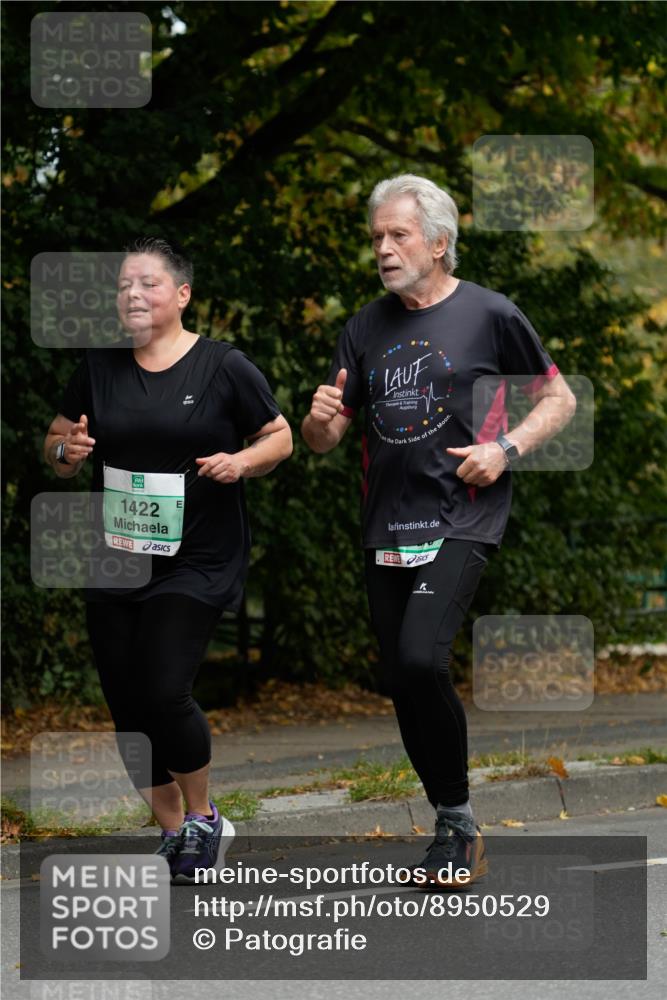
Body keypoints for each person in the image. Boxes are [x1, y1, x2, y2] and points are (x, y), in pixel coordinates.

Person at [302, 174, 576, 888]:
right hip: (386, 523)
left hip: (463, 513)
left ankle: (457, 822)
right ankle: (451, 826)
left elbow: (558, 397)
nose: (383, 249)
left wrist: (505, 448)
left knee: (422, 658)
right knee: (401, 677)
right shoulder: (364, 328)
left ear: (439, 242)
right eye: (376, 238)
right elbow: (324, 440)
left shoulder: (490, 313)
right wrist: (319, 421)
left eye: (398, 235)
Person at [44, 237, 292, 882]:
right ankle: (173, 831)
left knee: (162, 687)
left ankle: (205, 817)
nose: (132, 294)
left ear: (182, 294)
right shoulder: (99, 366)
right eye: (124, 285)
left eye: (147, 283)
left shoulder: (223, 366)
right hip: (117, 556)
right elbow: (57, 441)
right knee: (127, 707)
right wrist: (68, 452)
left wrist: (242, 462)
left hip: (197, 556)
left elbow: (279, 436)